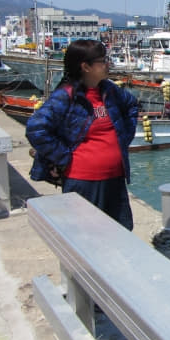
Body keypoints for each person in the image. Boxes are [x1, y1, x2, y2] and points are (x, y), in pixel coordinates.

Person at [26, 39, 139, 230]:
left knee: (120, 233)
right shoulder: (66, 96)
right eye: (102, 61)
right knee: (87, 236)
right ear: (85, 66)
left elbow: (131, 106)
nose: (107, 64)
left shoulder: (109, 90)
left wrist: (123, 138)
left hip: (115, 178)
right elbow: (36, 129)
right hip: (83, 181)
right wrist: (64, 157)